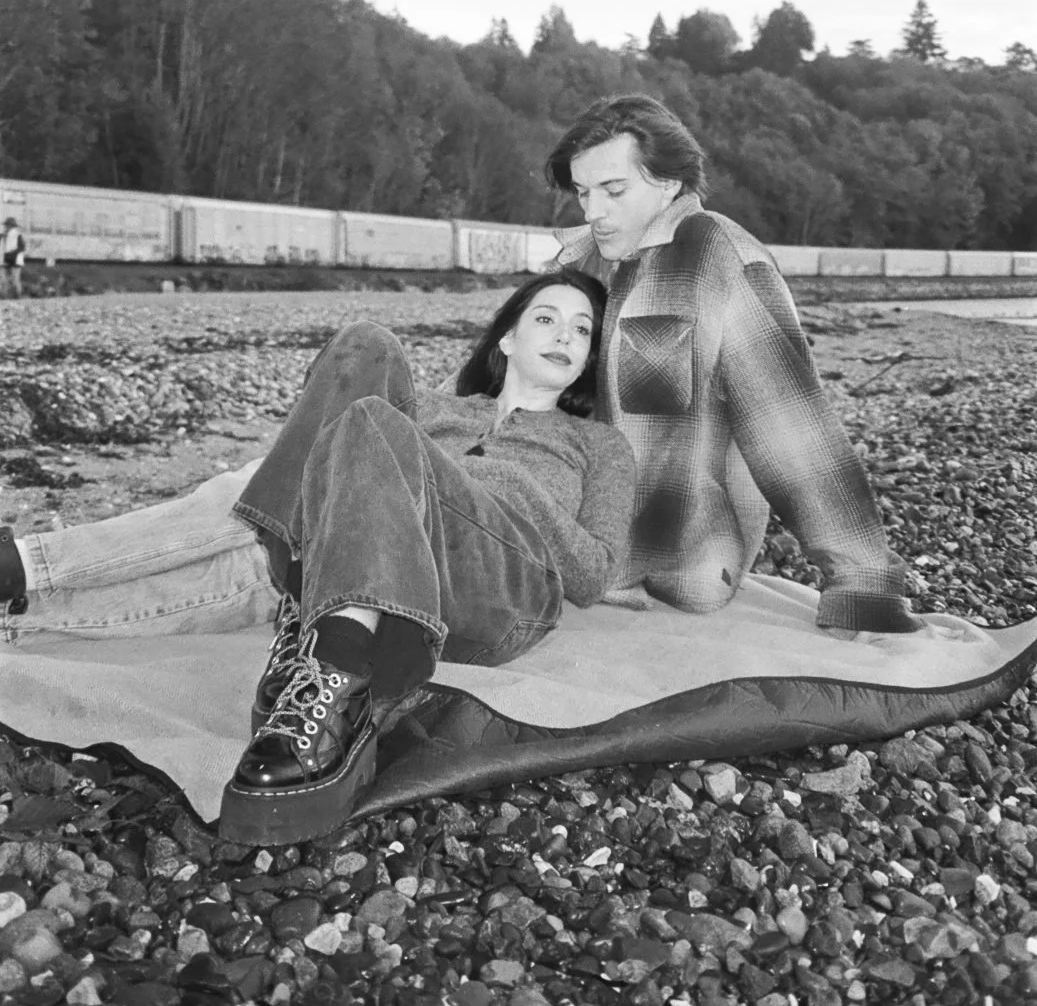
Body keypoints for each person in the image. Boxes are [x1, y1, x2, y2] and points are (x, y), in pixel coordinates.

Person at [0, 270, 636, 846]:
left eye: (583, 330)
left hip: (501, 589)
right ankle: (18, 616)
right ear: (506, 338)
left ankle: (332, 664)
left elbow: (593, 571)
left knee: (272, 479)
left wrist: (517, 487)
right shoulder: (439, 411)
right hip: (377, 558)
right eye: (547, 318)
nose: (566, 336)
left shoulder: (597, 445)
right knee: (366, 346)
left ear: (587, 359)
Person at [544, 93, 920, 638]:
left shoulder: (721, 261)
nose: (593, 211)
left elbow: (790, 430)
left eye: (613, 190)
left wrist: (862, 586)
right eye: (583, 192)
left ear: (669, 183)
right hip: (569, 520)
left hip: (674, 556)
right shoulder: (577, 261)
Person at [2, 217, 25, 299]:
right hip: (11, 258)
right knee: (12, 278)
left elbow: (22, 247)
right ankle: (14, 295)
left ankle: (15, 295)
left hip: (15, 258)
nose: (5, 227)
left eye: (7, 225)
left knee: (14, 279)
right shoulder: (8, 234)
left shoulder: (15, 234)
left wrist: (13, 253)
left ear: (10, 225)